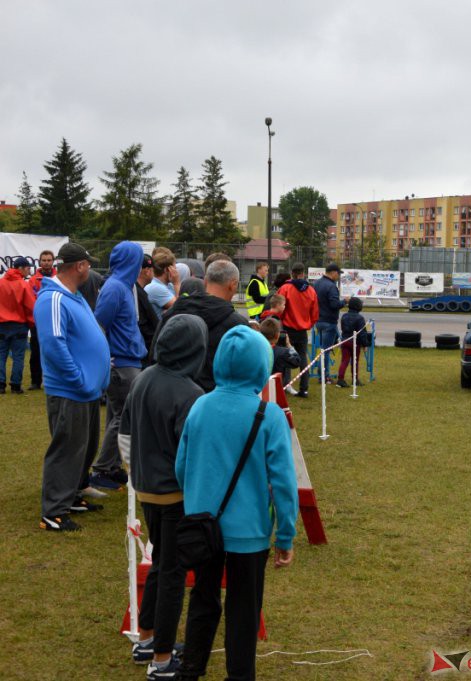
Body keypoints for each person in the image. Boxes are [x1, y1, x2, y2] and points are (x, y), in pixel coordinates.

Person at [175, 325, 297, 681]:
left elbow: (182, 466)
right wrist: (285, 536)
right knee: (244, 608)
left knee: (203, 597)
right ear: (262, 365)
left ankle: (191, 668)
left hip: (203, 525)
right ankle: (239, 674)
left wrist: (198, 500)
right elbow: (284, 484)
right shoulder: (269, 415)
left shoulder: (200, 405)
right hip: (250, 531)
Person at [119, 314, 207, 678]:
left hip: (146, 490)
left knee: (159, 564)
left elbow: (123, 435)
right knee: (173, 574)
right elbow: (193, 456)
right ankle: (161, 659)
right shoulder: (191, 395)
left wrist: (136, 474)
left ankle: (147, 636)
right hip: (175, 497)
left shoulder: (142, 378)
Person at [36, 243, 111, 531]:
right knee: (67, 449)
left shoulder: (73, 296)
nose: (90, 268)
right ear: (79, 266)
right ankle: (53, 511)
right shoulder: (52, 299)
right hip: (71, 391)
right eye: (88, 264)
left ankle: (73, 494)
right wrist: (78, 378)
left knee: (85, 446)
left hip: (87, 390)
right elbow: (54, 344)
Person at [91, 241, 147, 490]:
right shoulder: (114, 288)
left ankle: (109, 467)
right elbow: (98, 324)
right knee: (125, 417)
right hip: (121, 364)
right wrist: (106, 357)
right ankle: (103, 468)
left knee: (117, 415)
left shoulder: (124, 287)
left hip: (129, 360)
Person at [155, 260, 247, 393]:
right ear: (233, 285)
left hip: (171, 394)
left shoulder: (174, 312)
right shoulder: (238, 325)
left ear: (205, 281)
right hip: (214, 399)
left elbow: (156, 352)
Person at [276, 263, 318, 398]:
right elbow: (315, 312)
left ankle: (283, 385)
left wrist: (282, 320)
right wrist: (309, 324)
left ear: (292, 272)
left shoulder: (285, 288)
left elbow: (279, 307)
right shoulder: (311, 290)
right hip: (302, 330)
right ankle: (304, 388)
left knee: (284, 357)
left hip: (288, 328)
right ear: (303, 273)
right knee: (302, 358)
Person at [0, 256, 37, 394]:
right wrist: (32, 323)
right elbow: (30, 307)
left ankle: (1, 385)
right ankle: (15, 385)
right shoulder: (23, 284)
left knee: (1, 356)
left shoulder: (1, 283)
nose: (28, 271)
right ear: (20, 268)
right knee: (18, 357)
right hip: (19, 326)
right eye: (27, 268)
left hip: (2, 325)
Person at [28, 249, 55, 390]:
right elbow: (30, 301)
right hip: (38, 323)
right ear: (39, 262)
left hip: (56, 320)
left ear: (53, 261)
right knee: (36, 352)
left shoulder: (59, 278)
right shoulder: (33, 280)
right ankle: (35, 381)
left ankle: (54, 379)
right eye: (44, 260)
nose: (46, 263)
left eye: (49, 260)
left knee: (56, 351)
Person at [313, 264, 344, 370]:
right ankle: (324, 376)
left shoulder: (316, 283)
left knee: (323, 349)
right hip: (329, 321)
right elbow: (334, 305)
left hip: (318, 320)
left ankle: (321, 373)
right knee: (325, 350)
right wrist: (345, 301)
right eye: (338, 274)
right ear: (334, 273)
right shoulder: (331, 286)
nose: (339, 276)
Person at [337, 296, 371, 387]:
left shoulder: (344, 316)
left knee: (344, 361)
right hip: (355, 343)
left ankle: (340, 379)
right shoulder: (360, 318)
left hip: (345, 340)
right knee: (355, 361)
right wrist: (365, 344)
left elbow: (343, 328)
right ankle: (355, 379)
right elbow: (362, 333)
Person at [135, 254, 160, 361]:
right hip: (143, 352)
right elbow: (142, 324)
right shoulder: (137, 293)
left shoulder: (138, 291)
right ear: (147, 271)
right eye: (153, 270)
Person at [145, 247, 181, 317]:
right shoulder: (155, 287)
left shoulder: (168, 285)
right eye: (174, 267)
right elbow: (181, 308)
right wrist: (177, 284)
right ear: (166, 270)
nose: (176, 270)